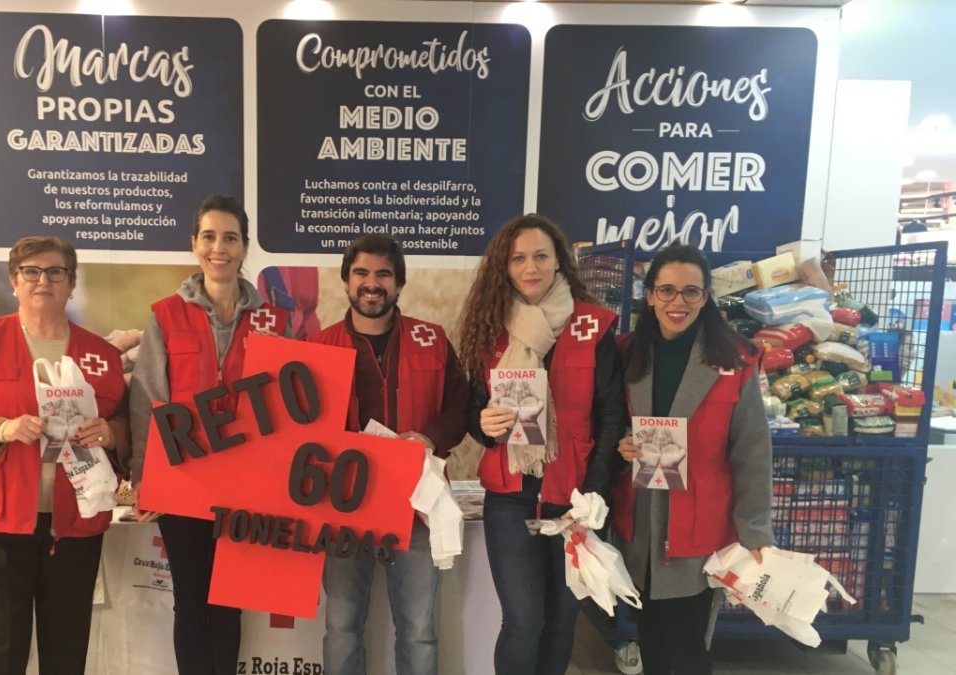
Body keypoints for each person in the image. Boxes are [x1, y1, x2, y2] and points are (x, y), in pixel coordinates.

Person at [0, 236, 128, 675]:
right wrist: (0, 428)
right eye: (31, 272)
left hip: (75, 521)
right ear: (14, 282)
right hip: (2, 520)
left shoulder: (103, 355)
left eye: (56, 271)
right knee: (2, 641)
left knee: (67, 636)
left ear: (71, 284)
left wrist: (111, 434)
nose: (43, 280)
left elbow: (129, 424)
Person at [457, 213, 626, 675]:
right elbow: (472, 411)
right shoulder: (490, 329)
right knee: (523, 621)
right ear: (504, 267)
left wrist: (595, 490)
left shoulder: (594, 327)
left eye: (540, 256)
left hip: (574, 500)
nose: (530, 267)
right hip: (509, 500)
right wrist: (484, 423)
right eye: (518, 258)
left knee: (561, 621)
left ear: (560, 262)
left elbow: (612, 416)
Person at [129, 194, 290, 675]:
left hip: (246, 486)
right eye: (209, 237)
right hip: (183, 483)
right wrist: (145, 477)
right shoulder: (165, 315)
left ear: (244, 248)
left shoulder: (274, 320)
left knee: (229, 603)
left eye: (231, 238)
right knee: (192, 604)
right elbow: (146, 400)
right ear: (194, 243)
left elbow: (286, 406)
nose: (219, 247)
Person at [309, 234, 469, 675]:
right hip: (343, 509)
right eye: (361, 272)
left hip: (416, 507)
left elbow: (461, 403)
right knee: (341, 626)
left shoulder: (431, 339)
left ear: (398, 284)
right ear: (345, 282)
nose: (371, 283)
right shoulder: (318, 346)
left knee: (418, 628)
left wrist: (432, 438)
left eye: (383, 273)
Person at [612, 244, 774, 675]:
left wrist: (755, 530)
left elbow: (752, 450)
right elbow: (607, 425)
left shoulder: (735, 360)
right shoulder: (626, 353)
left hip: (699, 531)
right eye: (666, 291)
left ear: (706, 297)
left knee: (688, 652)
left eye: (690, 292)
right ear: (649, 295)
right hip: (641, 526)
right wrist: (623, 444)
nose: (677, 303)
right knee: (653, 645)